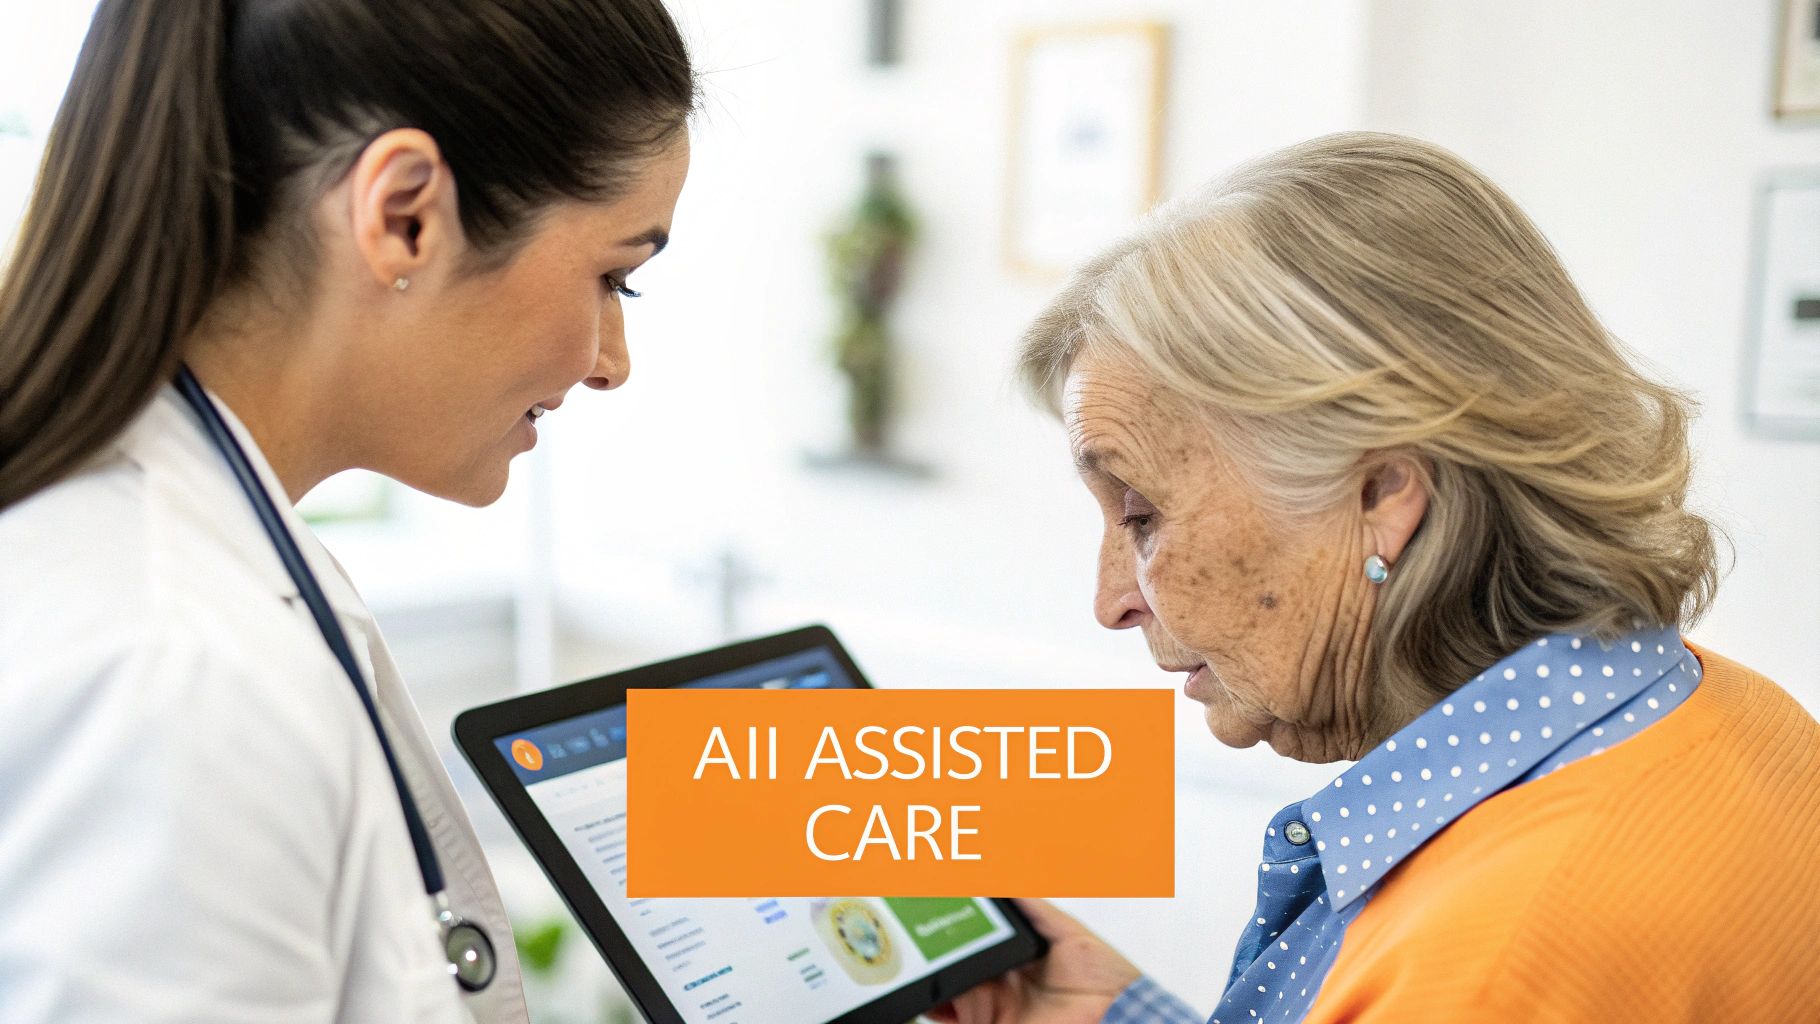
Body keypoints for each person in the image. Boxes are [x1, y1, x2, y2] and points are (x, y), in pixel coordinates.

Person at [934, 133, 1820, 1023]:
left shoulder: (1484, 971)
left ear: (1383, 492)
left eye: (1140, 515)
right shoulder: (1734, 716)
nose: (1111, 601)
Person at [0, 0, 693, 1020]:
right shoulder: (179, 673)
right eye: (612, 279)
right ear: (402, 211)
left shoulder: (221, 559)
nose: (610, 363)